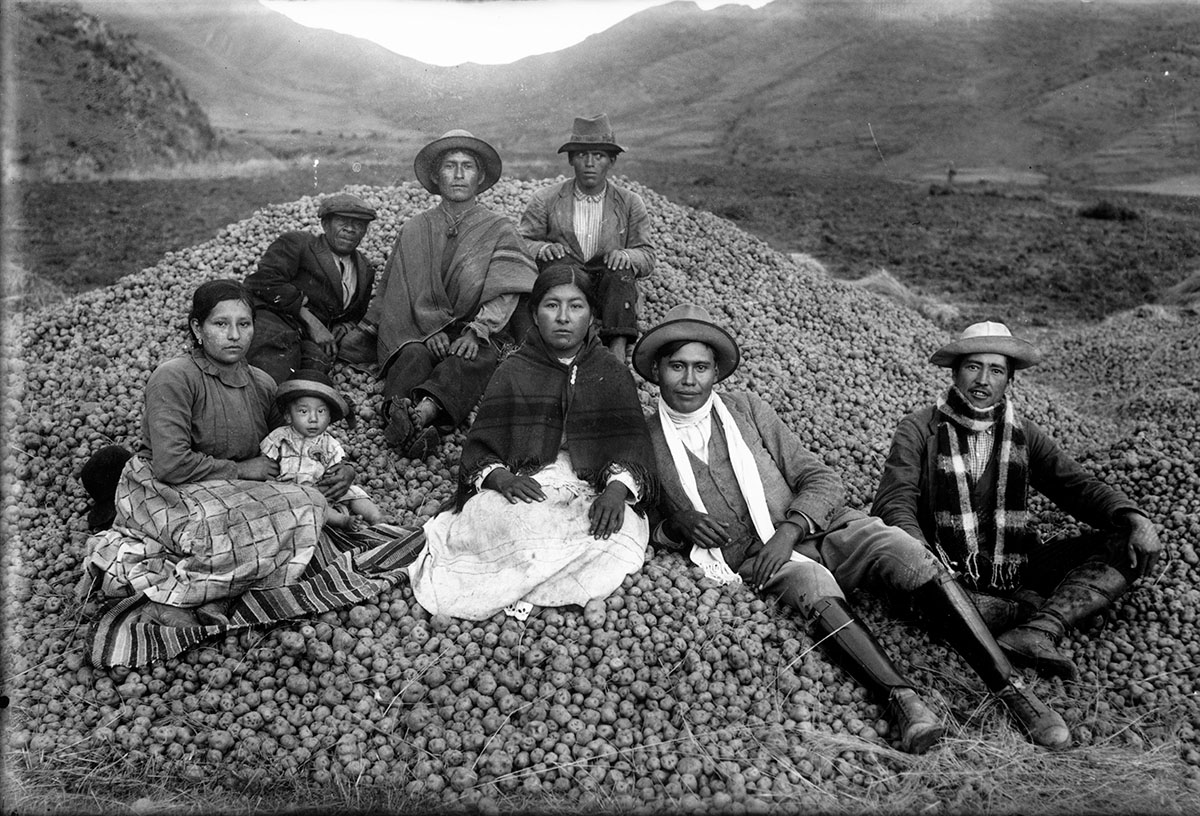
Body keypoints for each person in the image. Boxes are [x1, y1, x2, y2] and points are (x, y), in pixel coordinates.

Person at [635, 304, 1072, 752]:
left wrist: (789, 531)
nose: (690, 380)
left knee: (904, 549)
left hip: (821, 530)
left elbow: (822, 479)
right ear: (656, 370)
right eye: (677, 367)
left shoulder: (746, 409)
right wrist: (677, 523)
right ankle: (903, 701)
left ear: (716, 373)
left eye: (701, 367)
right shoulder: (643, 438)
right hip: (755, 560)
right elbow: (638, 519)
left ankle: (1011, 690)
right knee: (811, 583)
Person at [873, 321, 1162, 680]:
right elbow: (893, 502)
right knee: (919, 592)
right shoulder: (919, 429)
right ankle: (1021, 611)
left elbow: (1076, 486)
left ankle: (1037, 629)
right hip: (943, 568)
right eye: (973, 367)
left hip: (1009, 564)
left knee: (1125, 544)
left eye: (996, 370)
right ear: (955, 372)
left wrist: (1133, 516)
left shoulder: (1023, 435)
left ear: (1009, 380)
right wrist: (923, 558)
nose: (983, 380)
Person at [79, 280, 358, 630]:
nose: (234, 335)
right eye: (220, 324)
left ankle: (217, 591)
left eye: (244, 324)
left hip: (233, 492)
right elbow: (170, 464)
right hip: (168, 492)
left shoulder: (261, 383)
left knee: (304, 503)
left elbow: (294, 442)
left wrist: (343, 468)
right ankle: (184, 595)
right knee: (247, 524)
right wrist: (241, 470)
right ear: (198, 328)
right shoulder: (174, 377)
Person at [406, 261, 656, 621]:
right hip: (524, 474)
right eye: (552, 305)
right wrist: (501, 479)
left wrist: (617, 491)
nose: (564, 317)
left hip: (591, 482)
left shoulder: (611, 372)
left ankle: (537, 587)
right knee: (501, 519)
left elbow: (632, 446)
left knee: (610, 530)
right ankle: (537, 588)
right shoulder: (515, 369)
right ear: (535, 314)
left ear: (592, 315)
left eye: (576, 306)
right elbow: (482, 448)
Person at [338, 130, 537, 460]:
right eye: (449, 166)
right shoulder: (415, 228)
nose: (459, 175)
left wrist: (478, 331)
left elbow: (507, 289)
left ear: (481, 176)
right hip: (421, 329)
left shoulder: (499, 228)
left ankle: (425, 413)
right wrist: (427, 331)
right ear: (435, 176)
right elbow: (397, 292)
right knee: (411, 355)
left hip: (475, 328)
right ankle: (398, 412)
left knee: (470, 359)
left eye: (468, 166)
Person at [519, 113, 654, 361]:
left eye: (599, 156)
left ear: (611, 161)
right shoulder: (546, 199)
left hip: (608, 288)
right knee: (555, 265)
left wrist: (626, 255)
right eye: (582, 155)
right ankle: (561, 347)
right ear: (571, 160)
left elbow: (646, 256)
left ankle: (617, 351)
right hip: (566, 282)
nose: (590, 163)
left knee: (621, 271)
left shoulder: (630, 202)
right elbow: (520, 245)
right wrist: (541, 249)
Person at [243, 192, 378, 383]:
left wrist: (344, 325)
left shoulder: (365, 268)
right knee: (272, 364)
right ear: (325, 224)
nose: (350, 229)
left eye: (358, 224)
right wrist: (310, 320)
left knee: (317, 365)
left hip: (308, 338)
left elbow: (357, 313)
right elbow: (262, 281)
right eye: (342, 221)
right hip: (277, 320)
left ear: (365, 231)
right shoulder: (299, 243)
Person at [261, 369, 383, 530]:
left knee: (354, 492)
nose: (313, 419)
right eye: (303, 412)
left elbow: (338, 469)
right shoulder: (279, 438)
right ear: (288, 416)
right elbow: (265, 463)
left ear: (330, 417)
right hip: (292, 493)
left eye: (321, 411)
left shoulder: (330, 444)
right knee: (312, 503)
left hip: (322, 489)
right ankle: (343, 521)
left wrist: (335, 479)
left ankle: (377, 518)